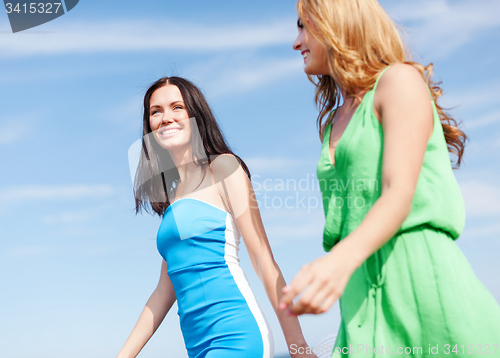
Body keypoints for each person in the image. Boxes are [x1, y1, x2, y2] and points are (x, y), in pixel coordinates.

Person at [279, 0, 500, 355]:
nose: (296, 41)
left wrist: (337, 262)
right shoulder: (332, 122)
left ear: (337, 23)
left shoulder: (398, 81)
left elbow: (399, 192)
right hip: (358, 299)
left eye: (303, 26)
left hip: (419, 280)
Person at [116, 77, 315, 358]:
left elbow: (263, 260)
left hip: (236, 335)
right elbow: (163, 292)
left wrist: (298, 347)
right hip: (197, 346)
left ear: (195, 114)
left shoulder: (223, 168)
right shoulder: (173, 199)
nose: (165, 118)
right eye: (155, 111)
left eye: (177, 107)